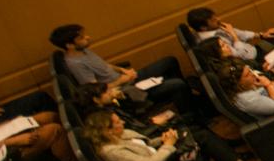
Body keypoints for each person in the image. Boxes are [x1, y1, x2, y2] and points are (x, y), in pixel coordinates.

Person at [83, 106, 266, 161]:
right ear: (106, 131)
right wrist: (168, 145)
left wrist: (163, 139)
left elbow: (145, 144)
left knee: (194, 132)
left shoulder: (119, 135)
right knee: (203, 139)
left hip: (163, 155)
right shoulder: (112, 152)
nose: (122, 122)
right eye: (116, 122)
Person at [50, 24, 191, 112]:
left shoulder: (83, 51)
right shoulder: (76, 64)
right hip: (122, 91)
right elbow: (94, 90)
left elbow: (104, 65)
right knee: (177, 84)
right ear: (69, 45)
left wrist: (122, 70)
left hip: (124, 78)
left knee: (169, 61)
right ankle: (189, 113)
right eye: (81, 37)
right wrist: (122, 80)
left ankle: (186, 100)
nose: (87, 37)